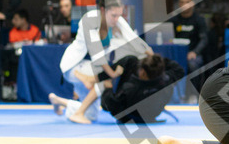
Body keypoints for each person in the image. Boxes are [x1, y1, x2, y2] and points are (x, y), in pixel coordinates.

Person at [54, 0, 153, 124]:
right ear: (103, 10)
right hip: (73, 66)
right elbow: (98, 55)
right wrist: (112, 74)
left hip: (89, 67)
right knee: (104, 82)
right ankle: (78, 113)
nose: (116, 19)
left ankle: (59, 102)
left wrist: (153, 56)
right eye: (113, 15)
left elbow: (134, 40)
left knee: (92, 115)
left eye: (119, 15)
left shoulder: (117, 20)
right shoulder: (89, 20)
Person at [54, 53, 185, 125]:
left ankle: (93, 81)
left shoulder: (131, 89)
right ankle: (90, 82)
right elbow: (179, 70)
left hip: (130, 117)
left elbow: (108, 106)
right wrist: (157, 61)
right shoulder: (167, 79)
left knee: (128, 61)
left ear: (144, 73)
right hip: (151, 114)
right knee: (131, 61)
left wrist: (108, 89)